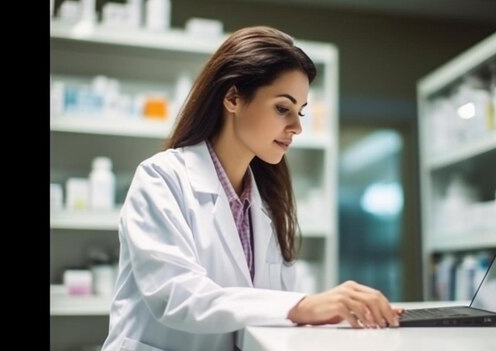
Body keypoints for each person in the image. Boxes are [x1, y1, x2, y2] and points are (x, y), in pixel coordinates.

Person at [101, 26, 403, 351]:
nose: (297, 126)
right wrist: (303, 306)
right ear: (232, 98)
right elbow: (176, 295)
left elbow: (275, 312)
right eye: (282, 108)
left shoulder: (268, 200)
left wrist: (329, 311)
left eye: (299, 111)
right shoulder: (162, 178)